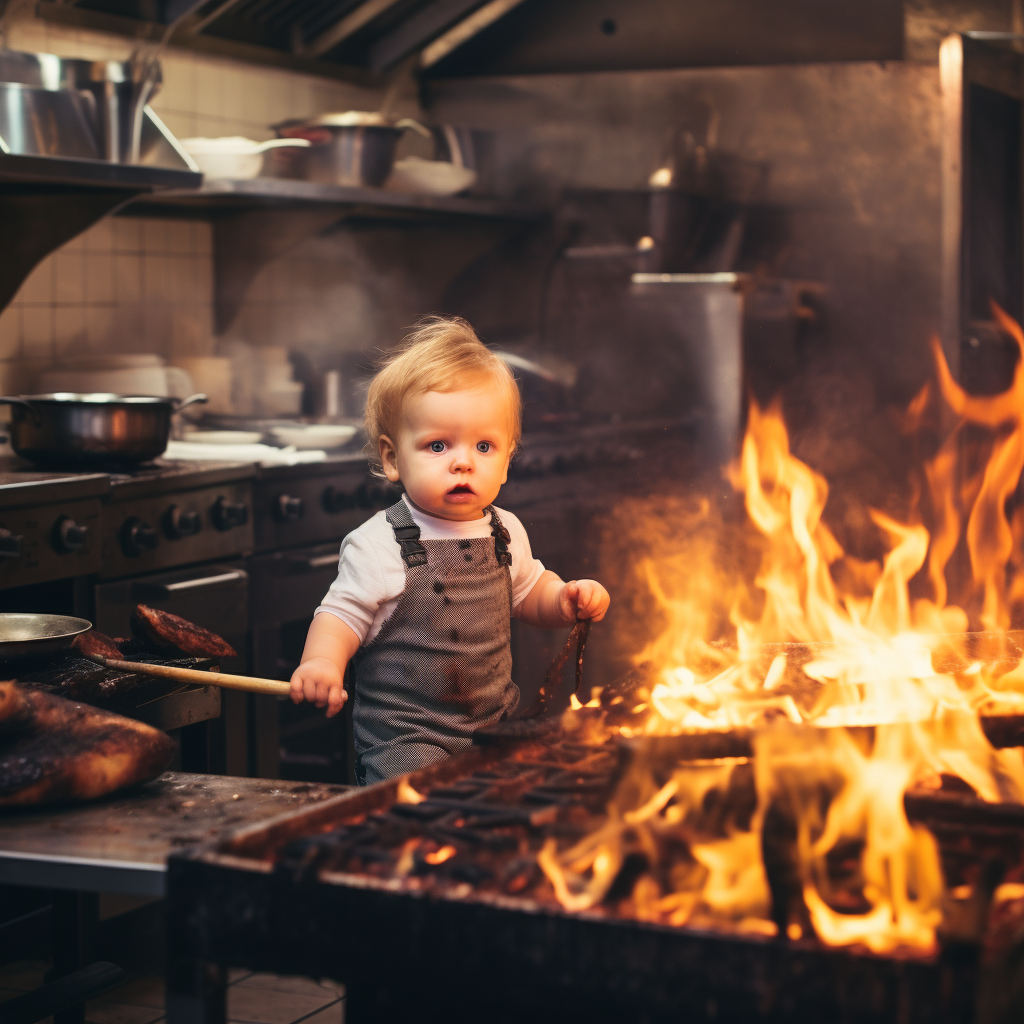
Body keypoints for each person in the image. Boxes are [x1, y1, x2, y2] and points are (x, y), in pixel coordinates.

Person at [289, 316, 611, 784]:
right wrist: (321, 663)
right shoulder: (378, 544)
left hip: (493, 730)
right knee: (413, 822)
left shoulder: (505, 530)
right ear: (393, 458)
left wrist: (563, 598)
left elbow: (527, 591)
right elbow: (340, 615)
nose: (463, 462)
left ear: (507, 460)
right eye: (437, 445)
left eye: (484, 446)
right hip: (407, 742)